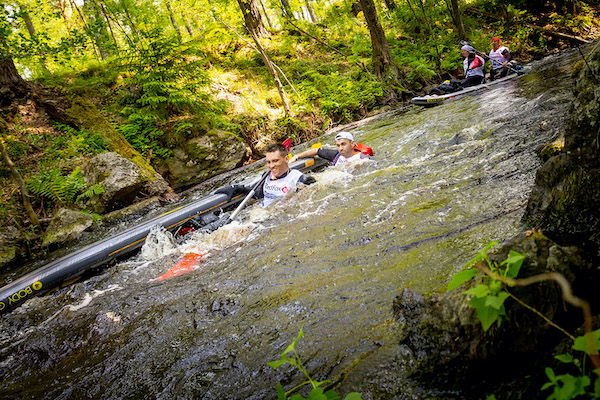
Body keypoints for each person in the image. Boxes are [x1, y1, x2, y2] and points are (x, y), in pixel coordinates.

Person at [216, 143, 316, 207]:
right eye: (268, 162)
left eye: (275, 161)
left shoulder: (299, 179)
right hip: (261, 213)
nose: (271, 166)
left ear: (286, 159)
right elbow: (260, 195)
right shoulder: (267, 176)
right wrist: (239, 188)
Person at [289, 131, 370, 166]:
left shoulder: (363, 158)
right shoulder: (336, 155)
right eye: (338, 145)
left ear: (352, 144)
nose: (340, 148)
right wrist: (296, 157)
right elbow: (316, 150)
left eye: (343, 144)